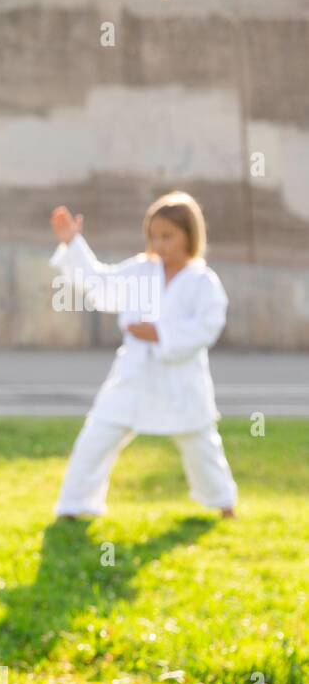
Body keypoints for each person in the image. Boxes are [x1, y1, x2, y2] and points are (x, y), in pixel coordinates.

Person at [48, 191, 238, 520]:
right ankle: (74, 506)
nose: (159, 244)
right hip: (133, 374)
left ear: (189, 236)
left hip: (180, 379)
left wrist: (160, 334)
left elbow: (208, 326)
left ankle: (222, 503)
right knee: (97, 436)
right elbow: (100, 284)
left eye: (168, 236)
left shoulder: (202, 282)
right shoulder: (141, 272)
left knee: (201, 445)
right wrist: (73, 244)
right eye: (153, 236)